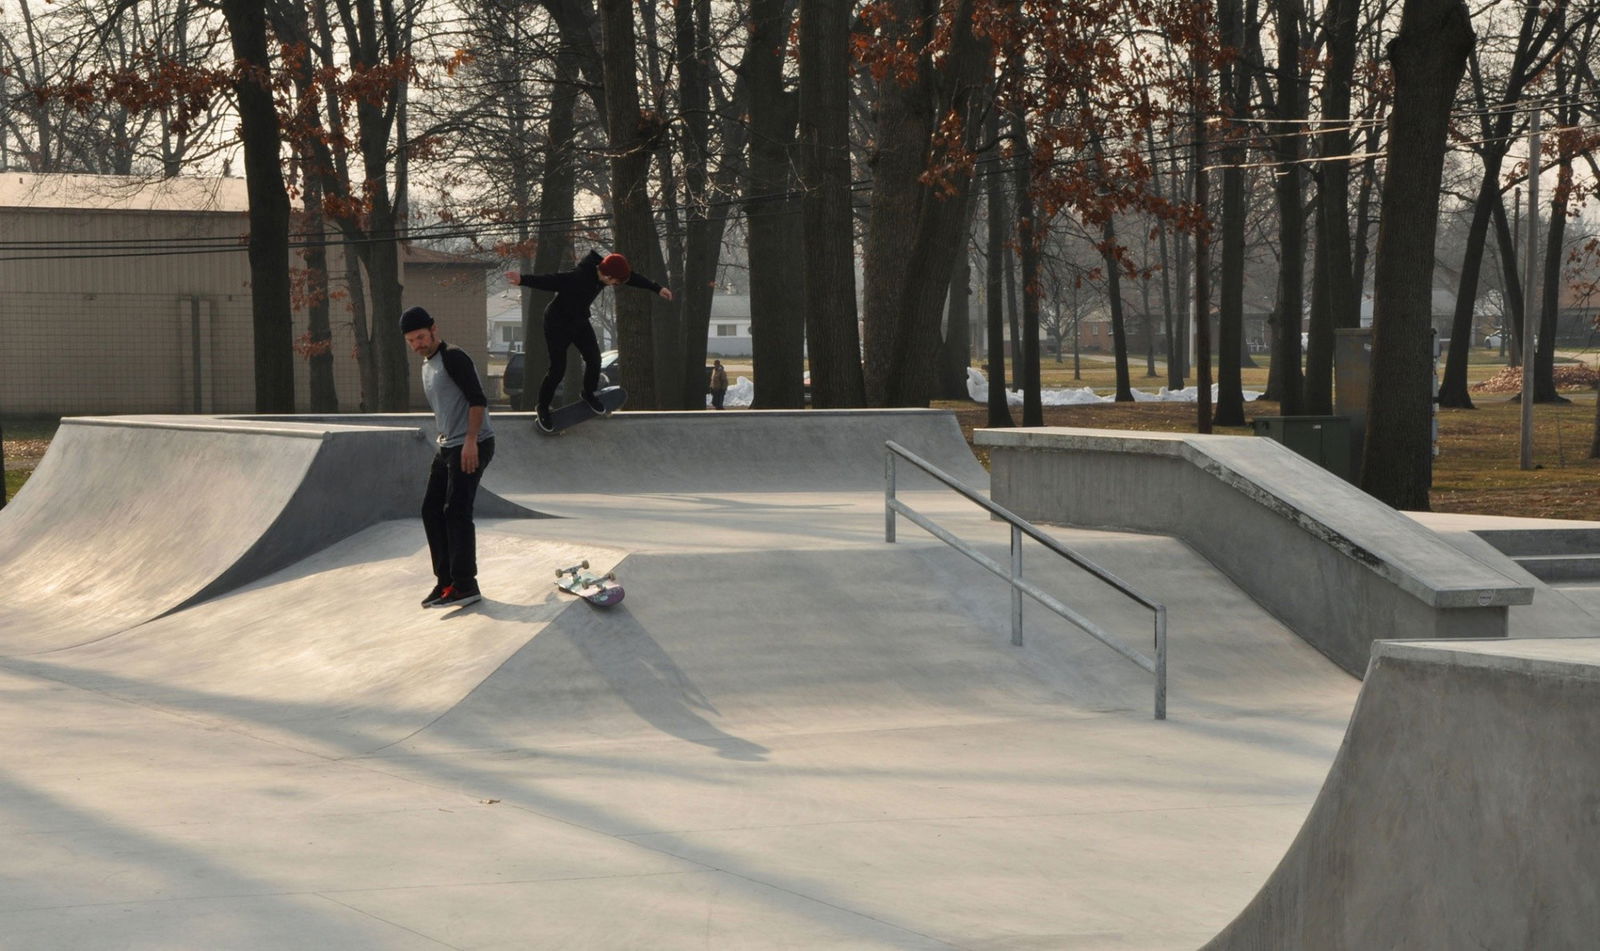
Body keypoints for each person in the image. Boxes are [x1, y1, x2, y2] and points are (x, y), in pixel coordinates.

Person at [506, 250, 673, 432]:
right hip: (557, 323)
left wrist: (657, 288)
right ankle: (543, 407)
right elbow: (551, 280)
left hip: (579, 321)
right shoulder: (578, 277)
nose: (615, 285)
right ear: (608, 276)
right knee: (557, 370)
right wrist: (522, 279)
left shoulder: (606, 269)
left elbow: (631, 277)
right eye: (615, 283)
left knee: (594, 359)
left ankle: (588, 393)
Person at [401, 305, 495, 609]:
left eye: (421, 337)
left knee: (456, 511)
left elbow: (478, 400)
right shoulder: (427, 365)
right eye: (411, 341)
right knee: (431, 510)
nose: (417, 345)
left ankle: (466, 585)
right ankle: (446, 582)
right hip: (447, 447)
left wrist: (470, 441)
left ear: (434, 330)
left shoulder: (454, 357)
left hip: (472, 443)